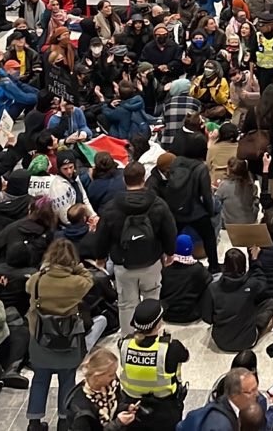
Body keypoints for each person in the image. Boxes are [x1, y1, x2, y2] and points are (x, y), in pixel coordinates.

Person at [94, 162, 178, 330]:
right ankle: (152, 335)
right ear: (144, 179)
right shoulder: (158, 204)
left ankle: (127, 339)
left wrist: (101, 258)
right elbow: (170, 230)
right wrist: (170, 253)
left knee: (126, 305)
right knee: (152, 300)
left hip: (123, 264)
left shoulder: (112, 207)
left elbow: (101, 234)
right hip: (151, 261)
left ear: (124, 181)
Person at [27, 238, 96, 431]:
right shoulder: (76, 283)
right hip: (68, 339)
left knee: (40, 379)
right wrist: (77, 266)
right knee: (67, 379)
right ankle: (64, 420)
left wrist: (44, 269)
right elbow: (89, 279)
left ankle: (34, 421)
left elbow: (27, 288)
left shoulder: (38, 281)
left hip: (40, 337)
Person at [114, 299, 188, 431]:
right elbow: (185, 356)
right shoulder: (171, 347)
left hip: (132, 407)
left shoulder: (124, 344)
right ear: (158, 323)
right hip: (165, 409)